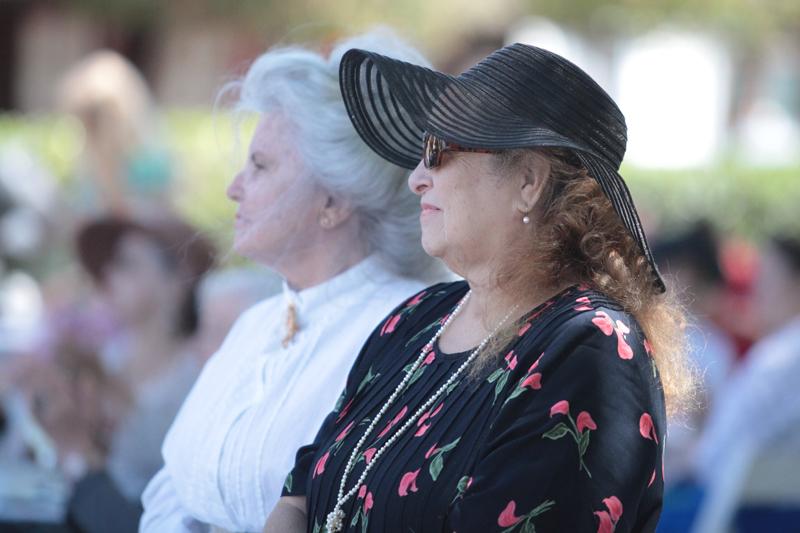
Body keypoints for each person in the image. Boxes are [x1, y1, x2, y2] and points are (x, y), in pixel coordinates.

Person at [267, 42, 694, 532]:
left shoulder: (591, 348)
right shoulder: (417, 318)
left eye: (437, 151)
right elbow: (299, 493)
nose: (416, 180)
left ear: (528, 182)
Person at [139, 31, 442, 532]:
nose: (233, 188)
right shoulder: (256, 323)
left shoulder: (409, 331)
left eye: (260, 166)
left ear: (334, 202)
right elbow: (172, 488)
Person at [67, 214, 215, 533]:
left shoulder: (205, 374)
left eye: (126, 264)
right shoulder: (102, 361)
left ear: (178, 278)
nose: (106, 275)